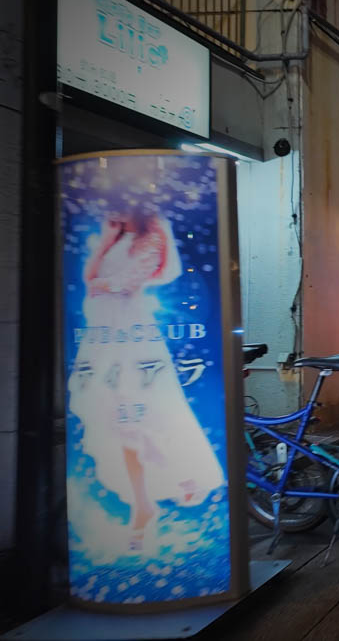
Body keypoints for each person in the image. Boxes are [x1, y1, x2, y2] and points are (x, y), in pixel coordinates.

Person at [68, 208, 225, 552]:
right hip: (104, 336)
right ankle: (145, 503)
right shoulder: (115, 233)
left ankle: (171, 484)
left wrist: (100, 283)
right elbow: (89, 278)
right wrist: (105, 244)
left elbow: (127, 281)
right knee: (118, 420)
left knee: (146, 413)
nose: (113, 207)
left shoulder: (153, 231)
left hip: (132, 336)